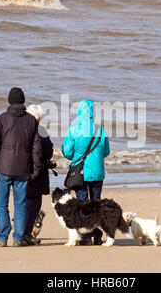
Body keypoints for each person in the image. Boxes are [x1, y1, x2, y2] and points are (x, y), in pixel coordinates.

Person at [0, 87, 42, 247]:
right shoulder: (31, 121)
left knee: (2, 204)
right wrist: (36, 169)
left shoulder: (2, 119)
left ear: (10, 101)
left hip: (3, 168)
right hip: (23, 169)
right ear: (23, 101)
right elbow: (36, 149)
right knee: (20, 204)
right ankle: (18, 238)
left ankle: (2, 237)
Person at [62, 99, 110, 245]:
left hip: (80, 171)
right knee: (96, 203)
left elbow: (67, 151)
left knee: (82, 203)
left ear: (79, 112)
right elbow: (106, 151)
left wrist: (76, 157)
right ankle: (97, 235)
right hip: (97, 171)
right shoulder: (99, 130)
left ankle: (86, 236)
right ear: (93, 112)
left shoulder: (74, 129)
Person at [24, 104, 54, 245]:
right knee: (34, 203)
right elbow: (48, 150)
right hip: (38, 171)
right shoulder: (40, 130)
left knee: (22, 202)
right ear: (38, 118)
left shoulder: (20, 127)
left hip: (20, 169)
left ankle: (21, 232)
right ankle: (26, 233)